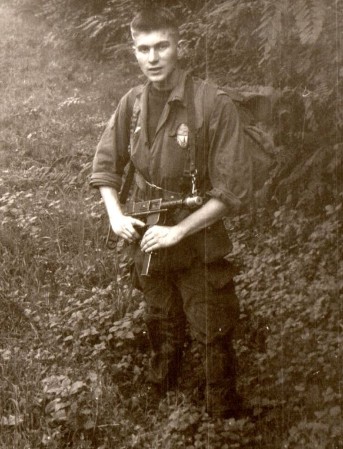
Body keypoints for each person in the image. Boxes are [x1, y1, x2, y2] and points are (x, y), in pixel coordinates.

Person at [90, 7, 252, 419]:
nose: (153, 57)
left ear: (180, 47)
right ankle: (163, 388)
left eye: (162, 45)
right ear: (134, 52)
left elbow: (231, 192)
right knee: (159, 315)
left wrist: (180, 232)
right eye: (144, 48)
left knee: (211, 325)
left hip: (198, 235)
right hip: (147, 231)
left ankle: (223, 412)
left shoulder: (212, 104)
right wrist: (115, 215)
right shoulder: (132, 104)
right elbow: (105, 166)